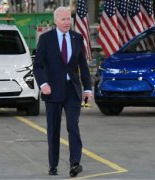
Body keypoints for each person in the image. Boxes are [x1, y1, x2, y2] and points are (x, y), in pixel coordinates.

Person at [33, 6, 92, 177]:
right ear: (56, 21)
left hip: (72, 90)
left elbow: (83, 65)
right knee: (54, 129)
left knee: (73, 126)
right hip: (52, 91)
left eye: (69, 19)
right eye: (63, 19)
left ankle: (75, 163)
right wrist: (43, 83)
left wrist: (88, 88)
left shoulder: (77, 38)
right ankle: (53, 165)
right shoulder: (46, 39)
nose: (67, 22)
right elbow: (38, 65)